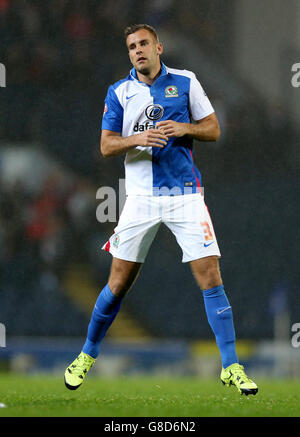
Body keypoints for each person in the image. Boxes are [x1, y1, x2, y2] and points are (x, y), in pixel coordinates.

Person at [64, 24, 258, 396]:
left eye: (143, 44)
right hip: (139, 198)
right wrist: (138, 138)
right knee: (118, 283)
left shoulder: (186, 81)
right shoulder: (119, 92)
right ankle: (87, 354)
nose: (137, 50)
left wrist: (182, 128)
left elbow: (214, 129)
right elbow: (105, 146)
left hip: (185, 193)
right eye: (132, 47)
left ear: (158, 47)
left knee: (210, 275)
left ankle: (231, 366)